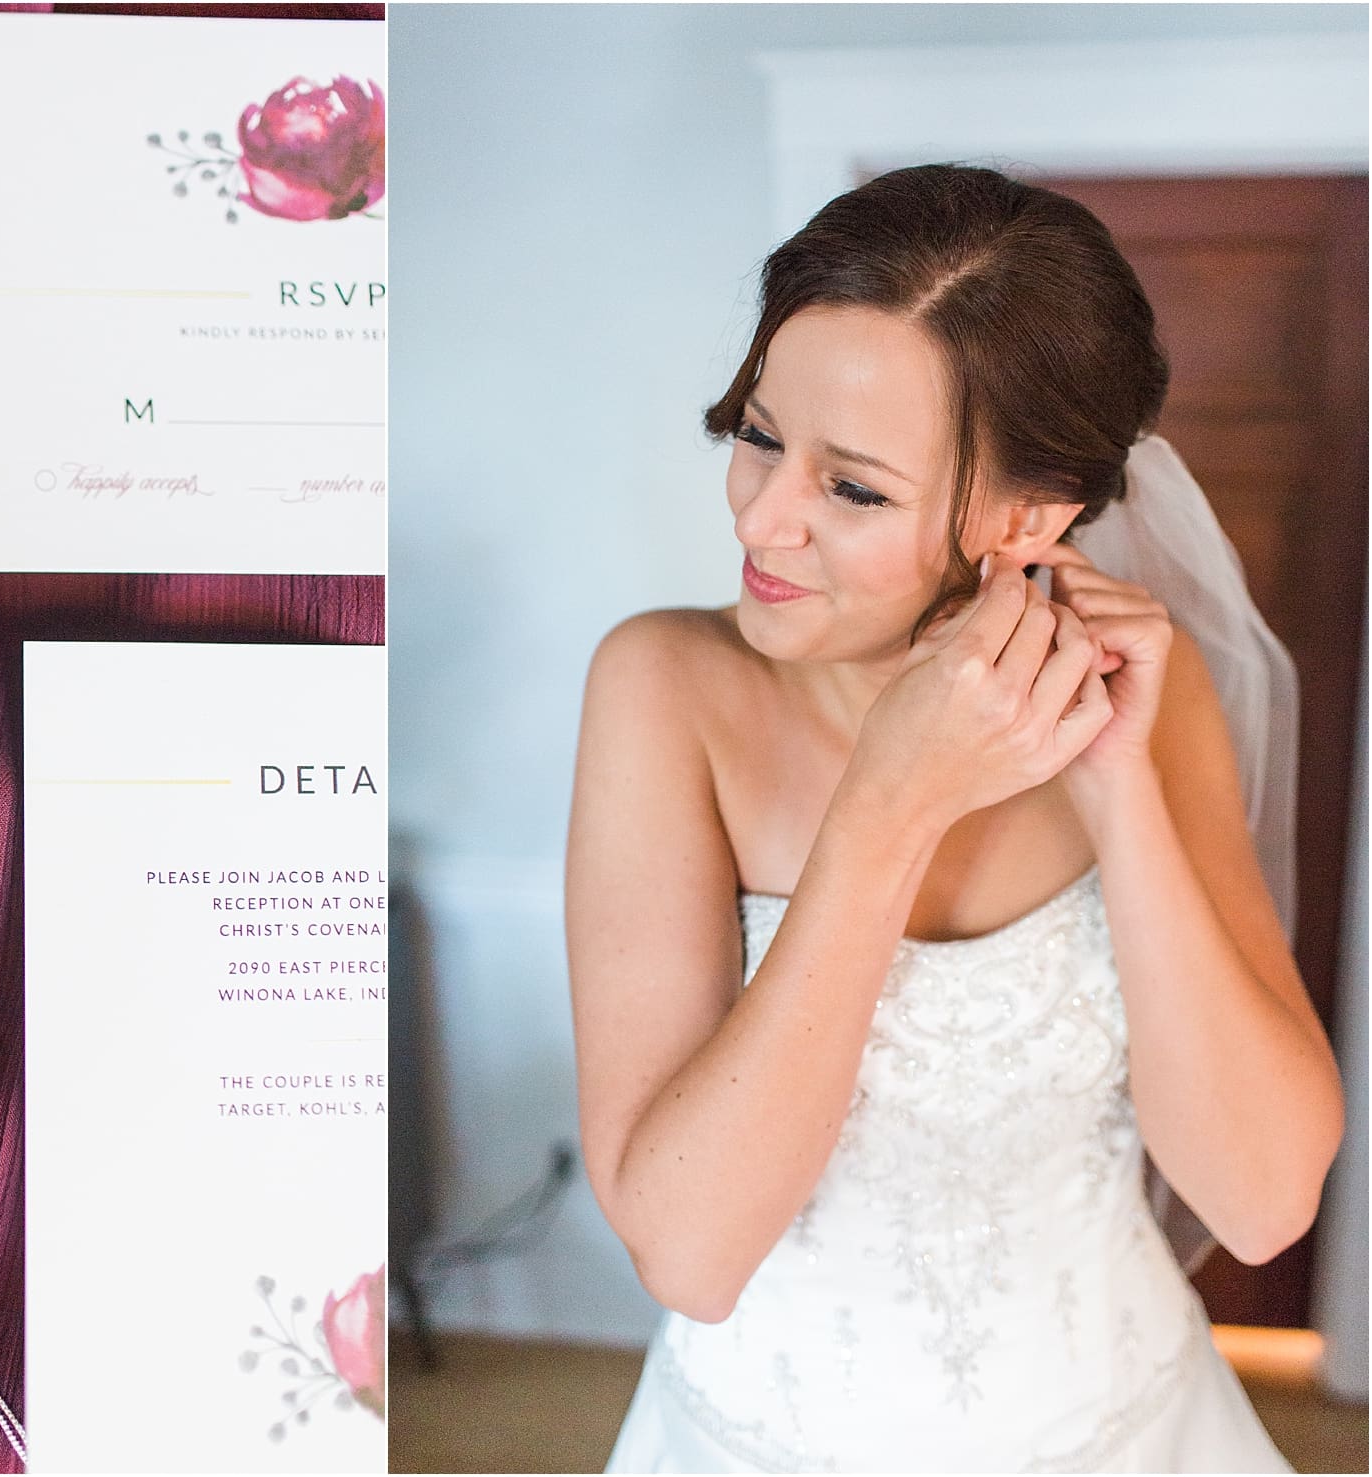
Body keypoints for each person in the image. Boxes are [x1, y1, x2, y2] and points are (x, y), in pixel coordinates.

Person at [566, 164, 1343, 1472]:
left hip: (1125, 1426)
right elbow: (688, 1254)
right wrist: (887, 802)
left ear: (1027, 518)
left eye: (852, 488)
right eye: (758, 434)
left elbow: (1261, 1201)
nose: (763, 514)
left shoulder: (1150, 688)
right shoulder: (662, 688)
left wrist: (1118, 786)